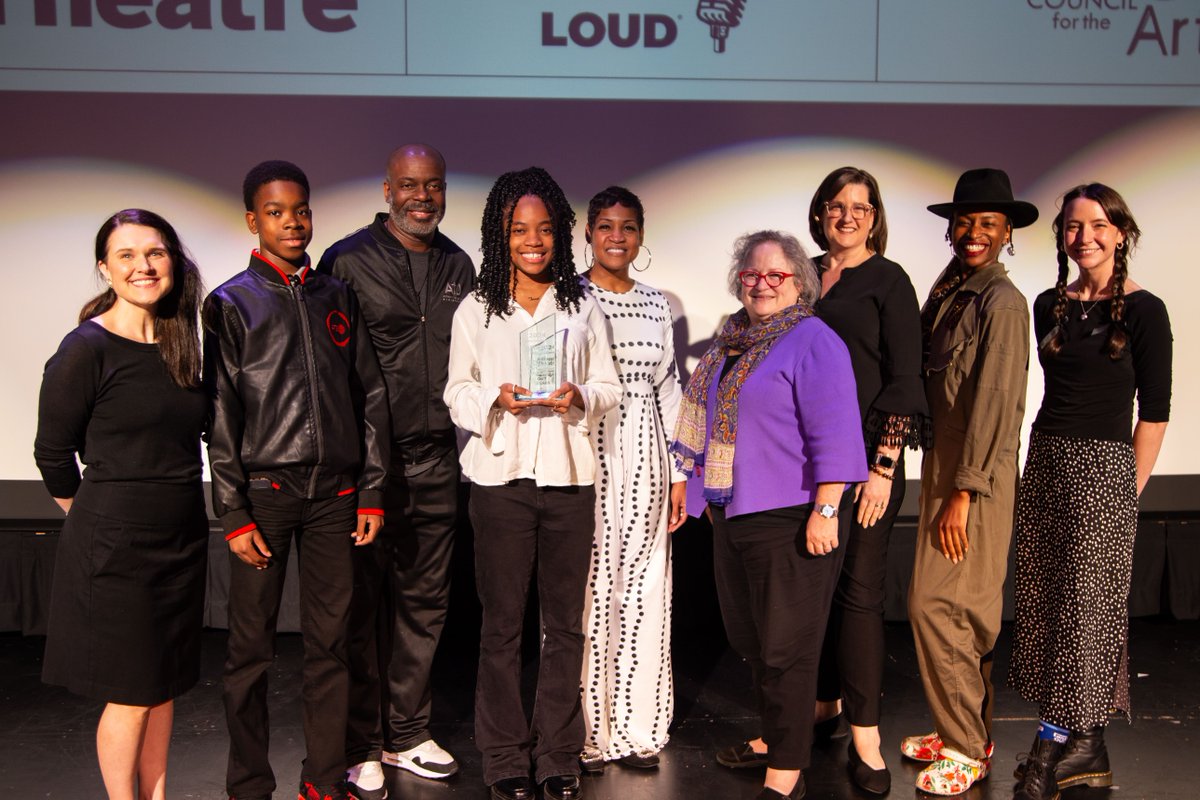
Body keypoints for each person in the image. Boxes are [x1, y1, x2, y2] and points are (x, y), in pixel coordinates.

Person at [205, 160, 390, 800]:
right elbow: (220, 415)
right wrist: (232, 511)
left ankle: (322, 779)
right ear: (253, 220)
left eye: (301, 209)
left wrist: (370, 491)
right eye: (277, 212)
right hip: (265, 497)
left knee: (331, 647)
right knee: (249, 655)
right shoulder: (230, 302)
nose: (293, 222)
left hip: (336, 499)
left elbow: (369, 396)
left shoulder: (336, 295)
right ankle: (250, 784)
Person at [444, 166, 622, 800]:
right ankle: (503, 757)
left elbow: (608, 385)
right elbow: (455, 389)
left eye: (545, 229)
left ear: (561, 234)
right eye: (520, 229)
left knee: (565, 626)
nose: (534, 240)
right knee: (501, 626)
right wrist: (496, 399)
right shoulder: (476, 307)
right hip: (500, 480)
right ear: (501, 233)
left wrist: (579, 396)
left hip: (570, 478)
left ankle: (557, 755)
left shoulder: (582, 303)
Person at [677, 230, 866, 800]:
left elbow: (837, 435)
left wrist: (827, 509)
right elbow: (705, 427)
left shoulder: (814, 340)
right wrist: (696, 495)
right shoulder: (731, 343)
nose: (761, 284)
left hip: (792, 516)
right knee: (753, 640)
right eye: (752, 275)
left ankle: (787, 771)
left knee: (787, 648)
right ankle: (774, 735)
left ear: (799, 283)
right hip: (731, 513)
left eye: (775, 275)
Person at [317, 143, 475, 796]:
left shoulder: (460, 265)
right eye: (409, 185)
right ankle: (360, 742)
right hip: (367, 467)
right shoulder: (346, 261)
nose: (422, 197)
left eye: (433, 186)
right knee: (359, 608)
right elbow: (327, 374)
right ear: (387, 189)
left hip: (439, 461)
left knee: (424, 604)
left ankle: (406, 733)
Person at [34, 209, 207, 800]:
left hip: (180, 538)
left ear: (174, 262)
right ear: (105, 268)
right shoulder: (86, 349)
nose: (143, 266)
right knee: (132, 693)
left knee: (162, 687)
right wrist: (96, 520)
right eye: (127, 256)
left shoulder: (184, 345)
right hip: (115, 546)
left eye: (155, 253)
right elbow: (53, 454)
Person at [1008, 184, 1171, 800]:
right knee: (1049, 604)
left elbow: (1154, 412)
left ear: (1120, 231)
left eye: (1098, 225)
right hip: (1047, 459)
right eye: (1073, 227)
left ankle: (1054, 741)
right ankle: (1088, 743)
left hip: (1106, 469)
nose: (1086, 237)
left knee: (1088, 614)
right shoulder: (1049, 303)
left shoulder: (1146, 311)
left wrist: (1127, 490)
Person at [903, 167, 1034, 795]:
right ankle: (962, 731)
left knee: (941, 606)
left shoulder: (1001, 302)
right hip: (946, 469)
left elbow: (996, 402)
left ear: (1008, 231)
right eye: (965, 221)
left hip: (973, 480)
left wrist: (964, 490)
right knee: (961, 608)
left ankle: (963, 748)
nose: (973, 233)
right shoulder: (956, 287)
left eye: (988, 223)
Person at [807, 167, 928, 796]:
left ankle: (866, 737)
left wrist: (884, 469)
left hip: (865, 469)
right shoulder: (802, 274)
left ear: (875, 215)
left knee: (858, 599)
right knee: (810, 595)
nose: (848, 216)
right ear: (821, 212)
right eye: (836, 206)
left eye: (861, 206)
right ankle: (819, 708)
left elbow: (905, 379)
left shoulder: (889, 280)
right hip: (804, 466)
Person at [577, 186, 687, 773]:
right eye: (606, 226)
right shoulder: (568, 295)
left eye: (628, 227)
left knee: (645, 588)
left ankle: (638, 729)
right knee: (594, 589)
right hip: (589, 452)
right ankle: (589, 732)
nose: (617, 237)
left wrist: (678, 473)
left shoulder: (655, 304)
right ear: (588, 232)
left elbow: (669, 388)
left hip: (647, 452)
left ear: (640, 235)